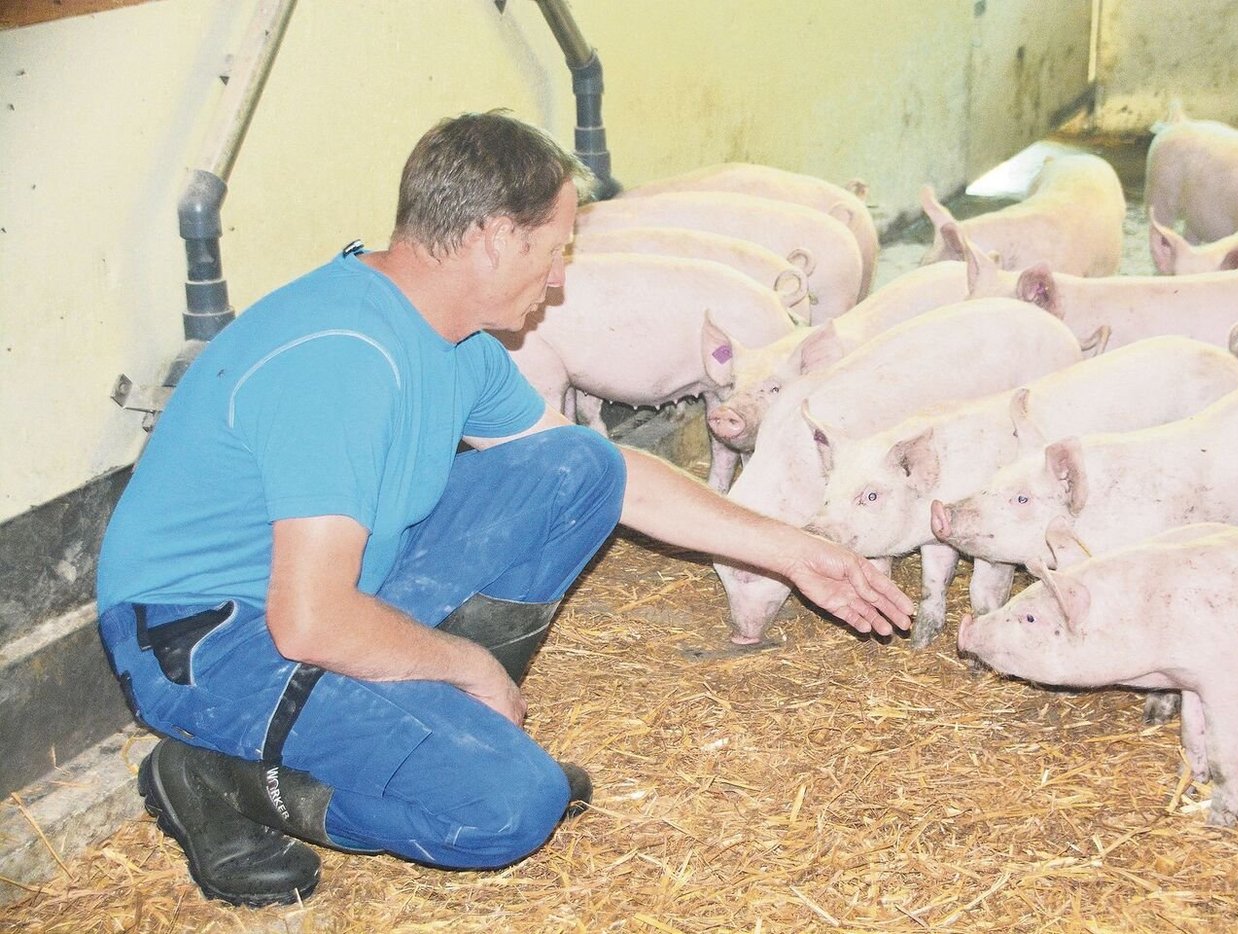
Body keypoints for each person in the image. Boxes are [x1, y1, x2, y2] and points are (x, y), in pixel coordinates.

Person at [96, 109, 912, 908]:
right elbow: (307, 621)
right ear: (492, 237)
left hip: (319, 595)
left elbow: (609, 476)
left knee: (578, 466)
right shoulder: (345, 363)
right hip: (208, 638)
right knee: (508, 810)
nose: (560, 277)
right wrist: (470, 666)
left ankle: (430, 729)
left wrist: (796, 550)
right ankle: (217, 777)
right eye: (556, 250)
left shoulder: (448, 342)